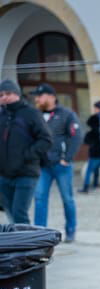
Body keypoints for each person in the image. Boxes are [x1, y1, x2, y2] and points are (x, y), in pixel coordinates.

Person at [31, 83, 82, 242]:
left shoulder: (66, 114)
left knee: (67, 198)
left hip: (61, 165)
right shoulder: (34, 115)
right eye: (36, 96)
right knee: (39, 198)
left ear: (51, 97)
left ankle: (71, 231)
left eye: (40, 96)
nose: (37, 99)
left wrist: (67, 158)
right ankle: (40, 233)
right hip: (42, 166)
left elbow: (76, 136)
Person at [0, 79, 51, 225]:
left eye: (8, 93)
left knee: (19, 213)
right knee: (9, 211)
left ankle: (27, 247)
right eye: (1, 94)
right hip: (3, 175)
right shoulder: (1, 115)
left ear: (17, 94)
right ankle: (17, 243)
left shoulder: (31, 113)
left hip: (26, 173)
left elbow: (46, 140)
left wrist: (27, 156)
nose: (4, 97)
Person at [79, 101, 100, 194]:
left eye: (95, 108)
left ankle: (86, 187)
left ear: (98, 108)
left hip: (96, 151)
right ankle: (95, 184)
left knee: (90, 170)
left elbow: (90, 137)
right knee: (99, 169)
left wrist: (89, 140)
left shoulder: (94, 120)